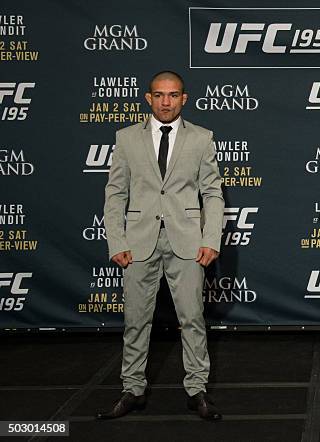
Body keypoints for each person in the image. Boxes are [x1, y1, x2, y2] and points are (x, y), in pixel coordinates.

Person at [97, 71, 224, 421]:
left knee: (193, 319)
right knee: (136, 320)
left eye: (173, 95)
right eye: (159, 95)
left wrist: (211, 238)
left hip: (187, 241)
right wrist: (117, 240)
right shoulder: (125, 139)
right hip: (138, 242)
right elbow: (115, 193)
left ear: (184, 98)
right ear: (148, 98)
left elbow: (212, 193)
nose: (166, 101)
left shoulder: (202, 138)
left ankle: (197, 390)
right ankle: (132, 389)